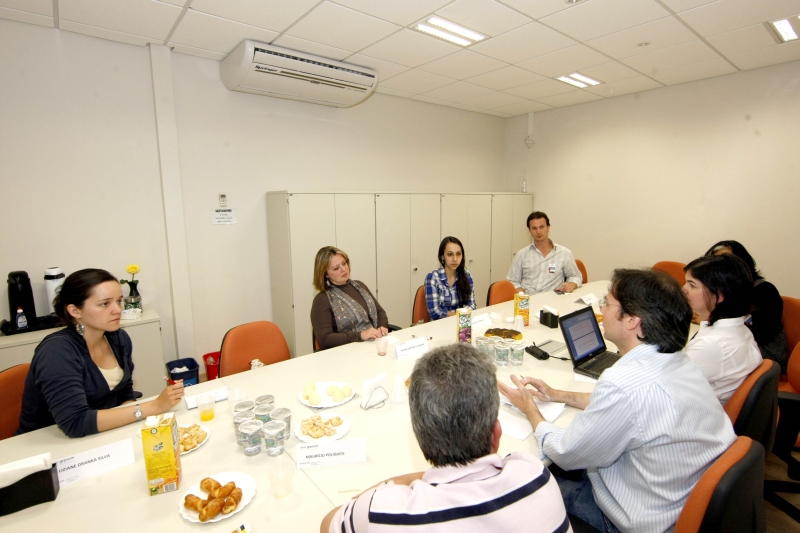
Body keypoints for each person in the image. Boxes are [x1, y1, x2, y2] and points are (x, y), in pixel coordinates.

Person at [499, 269, 736, 533]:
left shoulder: (623, 384)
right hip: (676, 501)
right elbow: (628, 406)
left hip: (631, 520)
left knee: (519, 484)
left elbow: (565, 452)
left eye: (607, 303)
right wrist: (558, 394)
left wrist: (530, 409)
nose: (601, 308)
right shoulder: (682, 363)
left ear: (632, 320)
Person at [320, 343, 570, 533]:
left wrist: (410, 479)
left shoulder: (382, 511)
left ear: (420, 435)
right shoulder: (536, 474)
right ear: (496, 433)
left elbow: (328, 523)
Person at [17, 269, 185, 438]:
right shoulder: (56, 351)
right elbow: (75, 422)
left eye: (118, 301)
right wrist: (153, 407)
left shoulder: (118, 338)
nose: (117, 310)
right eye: (105, 304)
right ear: (75, 311)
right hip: (47, 447)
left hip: (99, 436)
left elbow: (124, 393)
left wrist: (130, 430)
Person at [683, 254, 763, 405]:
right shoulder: (739, 329)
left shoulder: (712, 344)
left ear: (719, 296)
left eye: (692, 285)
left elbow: (666, 387)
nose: (683, 289)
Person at [706, 240, 789, 373]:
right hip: (735, 347)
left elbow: (761, 333)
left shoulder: (764, 290)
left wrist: (714, 319)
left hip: (765, 354)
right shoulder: (720, 291)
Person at [311, 246, 389, 349]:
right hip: (346, 354)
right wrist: (360, 335)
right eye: (336, 268)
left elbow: (380, 312)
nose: (343, 269)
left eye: (344, 263)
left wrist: (381, 327)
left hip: (373, 344)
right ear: (325, 274)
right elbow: (325, 339)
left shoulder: (359, 286)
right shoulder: (322, 300)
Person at [506, 211, 582, 295]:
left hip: (553, 301)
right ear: (529, 230)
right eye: (534, 228)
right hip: (528, 300)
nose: (538, 232)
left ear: (548, 227)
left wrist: (571, 284)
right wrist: (524, 297)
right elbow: (512, 281)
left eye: (542, 227)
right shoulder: (521, 255)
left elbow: (576, 276)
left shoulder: (564, 253)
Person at [423, 236, 476, 320]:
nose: (455, 259)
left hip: (462, 322)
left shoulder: (466, 275)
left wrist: (461, 317)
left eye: (458, 254)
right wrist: (458, 315)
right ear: (442, 256)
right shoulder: (433, 277)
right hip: (440, 326)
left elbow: (472, 305)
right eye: (450, 254)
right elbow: (434, 312)